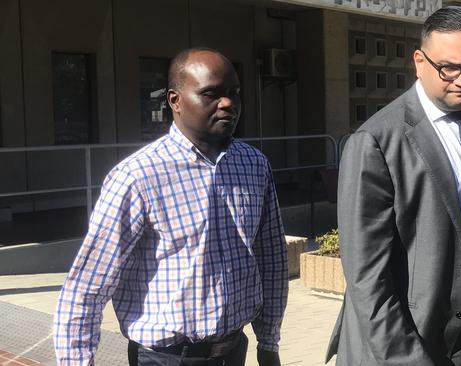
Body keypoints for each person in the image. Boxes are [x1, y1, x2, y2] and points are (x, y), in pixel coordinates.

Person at [326, 6, 461, 366]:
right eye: (449, 67)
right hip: (420, 333)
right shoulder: (376, 140)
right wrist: (404, 357)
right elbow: (367, 275)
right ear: (418, 61)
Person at [54, 48, 288, 366]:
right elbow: (88, 287)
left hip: (234, 351)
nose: (228, 104)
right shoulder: (138, 176)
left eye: (234, 93)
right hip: (166, 358)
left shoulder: (254, 165)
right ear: (175, 101)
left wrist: (269, 341)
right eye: (211, 94)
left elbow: (271, 257)